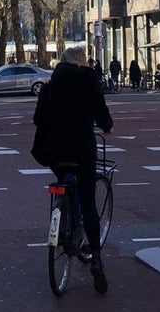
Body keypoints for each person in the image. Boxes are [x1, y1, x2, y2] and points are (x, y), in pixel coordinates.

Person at [32, 45, 113, 293]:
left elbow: (38, 119)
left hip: (55, 152)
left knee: (63, 179)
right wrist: (107, 125)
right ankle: (96, 257)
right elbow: (101, 112)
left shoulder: (50, 86)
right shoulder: (89, 81)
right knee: (88, 202)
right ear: (82, 61)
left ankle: (63, 221)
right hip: (82, 150)